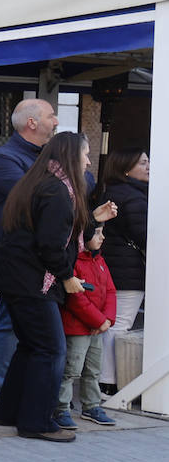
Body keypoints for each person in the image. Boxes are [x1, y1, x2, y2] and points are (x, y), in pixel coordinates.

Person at [0, 132, 116, 443]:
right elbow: (50, 243)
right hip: (32, 281)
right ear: (71, 156)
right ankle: (36, 422)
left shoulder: (44, 184)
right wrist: (67, 276)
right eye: (85, 154)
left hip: (19, 278)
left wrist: (93, 219)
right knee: (50, 349)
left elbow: (59, 230)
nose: (88, 161)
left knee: (32, 346)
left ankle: (8, 411)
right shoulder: (57, 191)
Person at [0, 98, 59, 406]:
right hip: (16, 260)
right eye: (51, 116)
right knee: (7, 322)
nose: (56, 122)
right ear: (32, 123)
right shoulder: (4, 158)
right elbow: (34, 198)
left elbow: (82, 184)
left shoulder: (47, 157)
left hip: (41, 257)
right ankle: (2, 392)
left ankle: (21, 388)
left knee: (34, 331)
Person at [92, 147, 148, 396]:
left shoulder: (110, 193)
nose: (149, 166)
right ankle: (108, 382)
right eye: (143, 162)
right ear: (126, 168)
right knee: (120, 324)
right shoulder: (135, 198)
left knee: (110, 323)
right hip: (128, 269)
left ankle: (102, 379)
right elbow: (144, 236)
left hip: (109, 265)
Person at [55, 225, 117, 430]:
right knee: (71, 370)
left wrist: (107, 319)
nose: (102, 237)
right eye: (97, 233)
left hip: (96, 328)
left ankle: (91, 405)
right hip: (78, 328)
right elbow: (75, 299)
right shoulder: (74, 263)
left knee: (93, 369)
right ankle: (61, 407)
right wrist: (99, 320)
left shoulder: (100, 261)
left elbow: (110, 291)